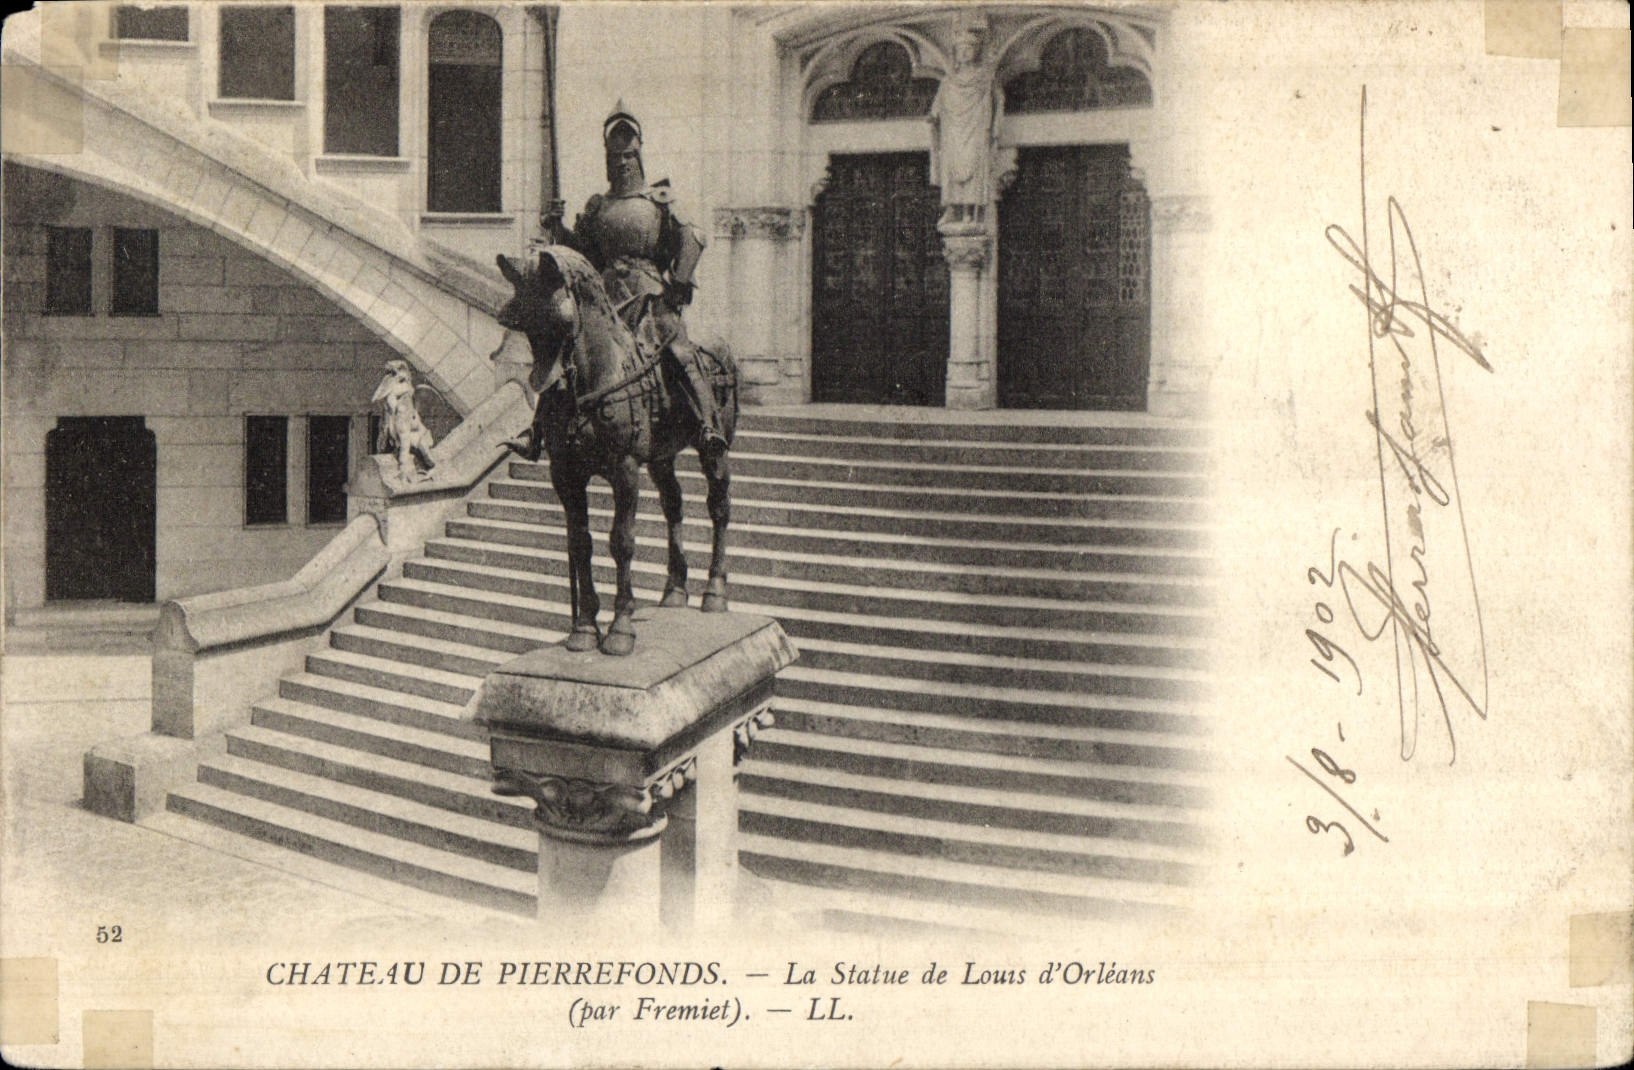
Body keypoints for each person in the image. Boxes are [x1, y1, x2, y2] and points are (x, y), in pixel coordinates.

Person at [546, 103, 728, 454]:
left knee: (678, 351)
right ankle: (540, 429)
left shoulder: (660, 199)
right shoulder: (598, 205)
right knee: (565, 348)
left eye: (629, 155)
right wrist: (557, 228)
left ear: (638, 152)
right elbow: (582, 253)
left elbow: (693, 237)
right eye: (616, 157)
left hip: (649, 294)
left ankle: (707, 425)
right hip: (605, 297)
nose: (623, 163)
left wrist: (677, 284)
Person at [928, 29, 1002, 224]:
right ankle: (952, 209)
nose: (964, 52)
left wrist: (995, 125)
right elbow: (938, 101)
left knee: (973, 166)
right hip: (952, 127)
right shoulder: (948, 80)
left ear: (976, 52)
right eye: (961, 49)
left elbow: (998, 98)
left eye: (969, 49)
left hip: (975, 127)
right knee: (951, 166)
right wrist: (933, 115)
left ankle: (968, 211)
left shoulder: (983, 78)